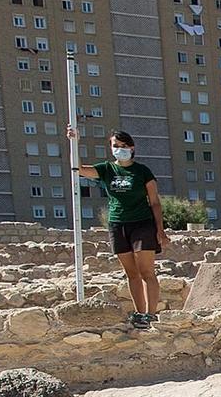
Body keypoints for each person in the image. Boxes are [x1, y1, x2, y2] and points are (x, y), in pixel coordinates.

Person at [71, 127, 168, 329]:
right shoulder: (107, 169)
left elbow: (155, 202)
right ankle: (140, 313)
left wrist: (160, 229)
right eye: (116, 146)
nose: (120, 149)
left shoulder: (142, 171)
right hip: (117, 224)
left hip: (142, 223)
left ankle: (151, 314)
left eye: (123, 146)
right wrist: (75, 142)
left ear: (131, 148)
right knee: (131, 273)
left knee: (146, 271)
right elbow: (79, 169)